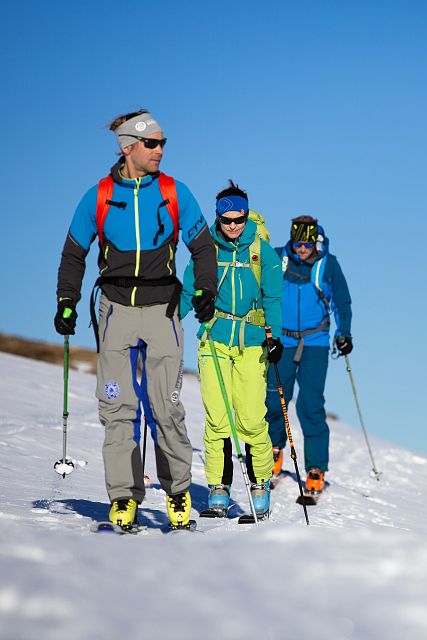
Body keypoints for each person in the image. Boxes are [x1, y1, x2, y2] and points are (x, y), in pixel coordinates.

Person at [54, 110, 218, 529]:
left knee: (167, 407)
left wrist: (206, 290)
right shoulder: (100, 195)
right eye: (152, 143)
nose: (160, 150)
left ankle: (178, 493)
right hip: (115, 312)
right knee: (117, 407)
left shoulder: (174, 192)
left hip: (163, 311)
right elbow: (74, 252)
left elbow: (203, 247)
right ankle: (123, 497)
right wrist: (66, 300)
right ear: (128, 147)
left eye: (163, 143)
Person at [181, 180, 283, 518]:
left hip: (253, 341)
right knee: (217, 418)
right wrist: (166, 325)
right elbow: (187, 290)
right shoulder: (206, 248)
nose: (233, 226)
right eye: (227, 220)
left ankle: (259, 483)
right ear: (218, 219)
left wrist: (275, 336)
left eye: (239, 219)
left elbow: (273, 296)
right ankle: (218, 487)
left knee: (252, 418)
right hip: (215, 338)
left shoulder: (261, 250)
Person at [266, 216, 352, 494]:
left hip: (315, 341)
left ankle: (316, 467)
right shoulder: (279, 258)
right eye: (297, 243)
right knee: (275, 398)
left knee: (310, 404)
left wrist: (344, 333)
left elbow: (342, 301)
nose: (302, 249)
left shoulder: (328, 264)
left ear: (315, 241)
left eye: (307, 244)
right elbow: (260, 291)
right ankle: (274, 450)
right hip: (282, 341)